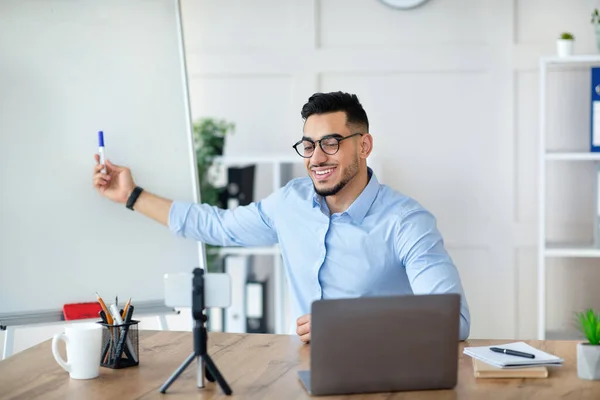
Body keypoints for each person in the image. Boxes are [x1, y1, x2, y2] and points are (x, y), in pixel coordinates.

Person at [92, 91, 471, 342]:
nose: (317, 158)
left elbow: (453, 321)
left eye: (331, 143)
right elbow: (217, 225)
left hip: (389, 375)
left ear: (365, 145)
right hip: (308, 369)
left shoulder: (407, 222)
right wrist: (131, 195)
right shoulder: (290, 202)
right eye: (309, 146)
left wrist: (348, 323)